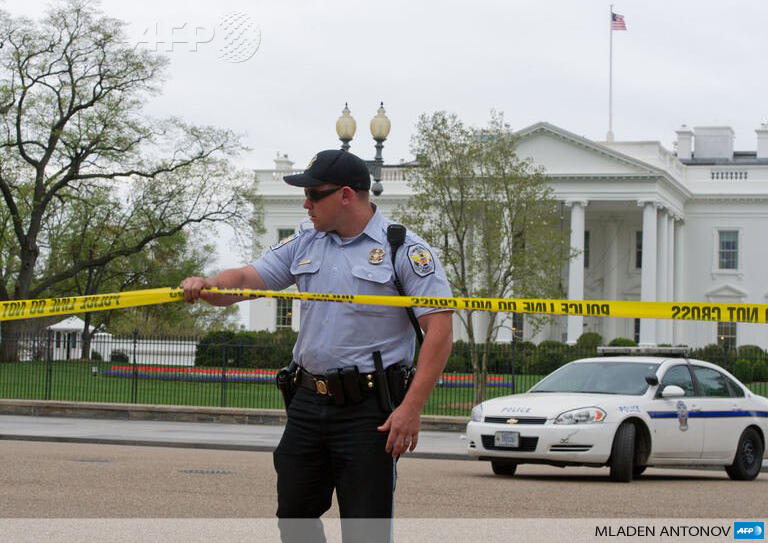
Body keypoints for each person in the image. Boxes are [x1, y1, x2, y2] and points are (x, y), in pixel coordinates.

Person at [181, 149, 453, 542]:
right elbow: (245, 278)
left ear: (345, 195)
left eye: (314, 194)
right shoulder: (306, 242)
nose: (305, 204)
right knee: (293, 515)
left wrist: (411, 408)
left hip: (369, 410)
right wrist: (209, 286)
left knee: (365, 530)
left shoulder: (404, 250)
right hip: (308, 403)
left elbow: (440, 330)